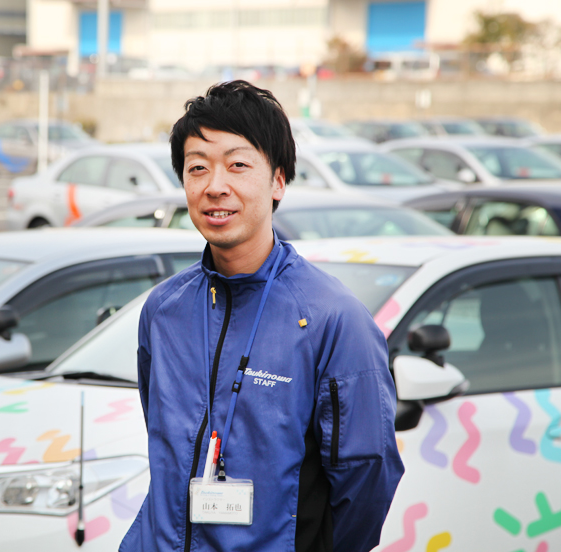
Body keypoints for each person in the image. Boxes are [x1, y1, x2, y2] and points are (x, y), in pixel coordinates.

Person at [119, 81, 404, 552]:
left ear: (277, 181)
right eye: (197, 168)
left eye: (238, 165)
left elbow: (367, 475)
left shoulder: (332, 319)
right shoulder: (163, 311)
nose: (215, 186)